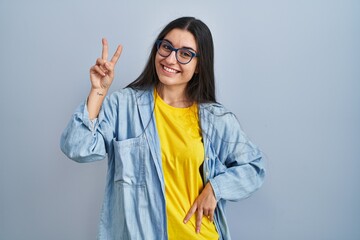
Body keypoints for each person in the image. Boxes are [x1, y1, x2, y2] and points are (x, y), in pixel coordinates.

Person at [60, 16, 265, 240]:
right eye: (166, 47)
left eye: (185, 54)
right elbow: (77, 147)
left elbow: (253, 168)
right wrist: (98, 91)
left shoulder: (216, 119)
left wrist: (216, 188)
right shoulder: (124, 105)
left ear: (199, 66)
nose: (170, 58)